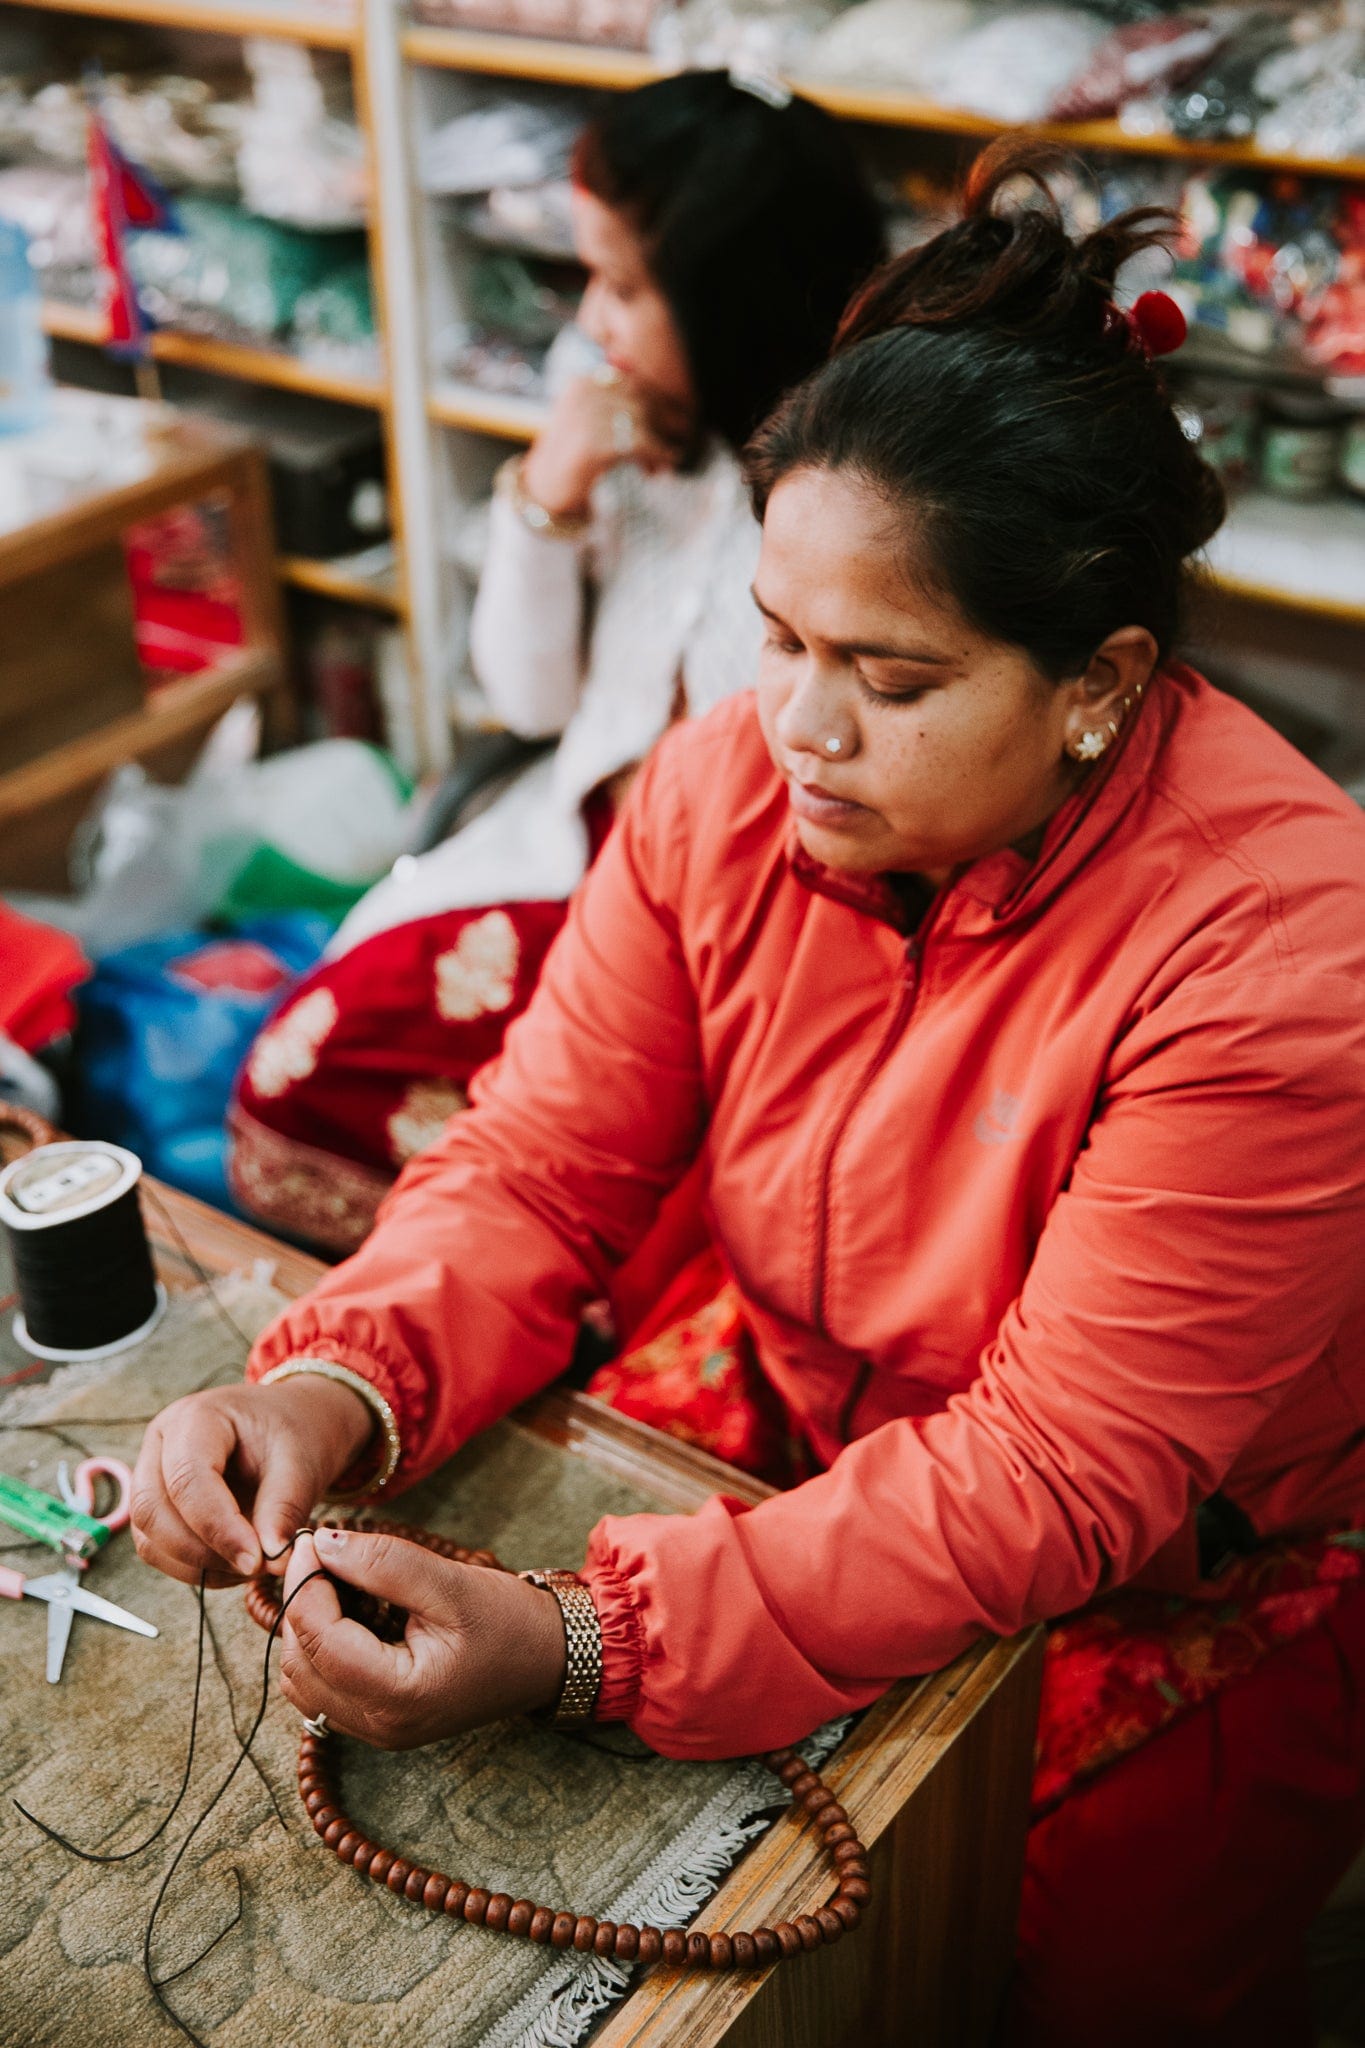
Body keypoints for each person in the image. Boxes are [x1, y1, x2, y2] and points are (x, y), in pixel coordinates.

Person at [133, 141, 1365, 2046]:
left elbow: (1052, 1473)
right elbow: (541, 1161)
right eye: (781, 640)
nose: (796, 723)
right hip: (818, 1379)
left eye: (889, 675)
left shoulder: (1279, 962)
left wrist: (585, 1640)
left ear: (1100, 683)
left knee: (1031, 1969)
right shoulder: (728, 786)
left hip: (1179, 1556)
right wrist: (327, 1382)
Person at [226, 71, 885, 1254]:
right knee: (303, 1064)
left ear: (730, 301)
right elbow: (529, 699)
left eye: (624, 287)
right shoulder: (637, 449)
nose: (591, 319)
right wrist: (546, 495)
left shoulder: (841, 513)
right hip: (570, 856)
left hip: (727, 937)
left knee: (319, 1087)